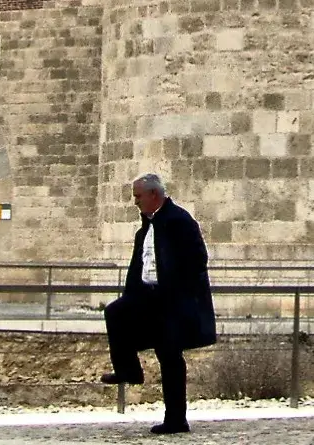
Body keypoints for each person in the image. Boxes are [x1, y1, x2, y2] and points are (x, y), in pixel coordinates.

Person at [101, 174, 215, 435]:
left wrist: (178, 289)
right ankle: (128, 370)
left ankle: (176, 419)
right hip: (147, 296)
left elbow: (198, 259)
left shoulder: (179, 221)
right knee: (116, 312)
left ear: (154, 195)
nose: (135, 202)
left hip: (171, 301)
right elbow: (141, 264)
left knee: (170, 357)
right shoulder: (148, 226)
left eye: (138, 196)